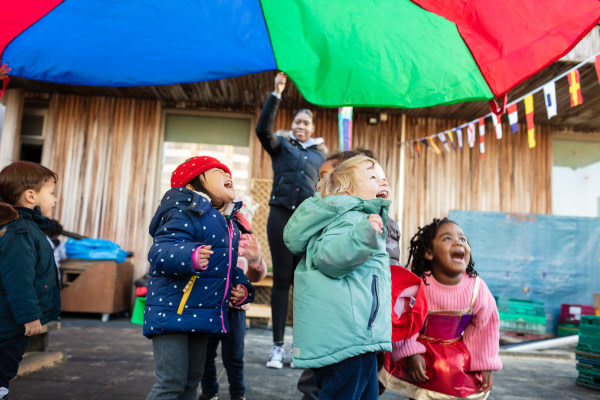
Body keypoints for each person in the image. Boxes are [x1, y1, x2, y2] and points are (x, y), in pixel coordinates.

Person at [143, 156, 255, 400]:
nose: (228, 175)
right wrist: (190, 255)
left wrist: (241, 288)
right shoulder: (184, 212)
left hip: (201, 313)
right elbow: (160, 252)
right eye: (217, 171)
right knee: (170, 383)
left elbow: (226, 268)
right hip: (172, 311)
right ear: (192, 187)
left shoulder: (228, 224)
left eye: (229, 173)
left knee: (191, 382)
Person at [283, 154, 392, 400]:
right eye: (373, 176)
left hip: (357, 338)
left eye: (384, 177)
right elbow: (329, 257)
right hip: (346, 340)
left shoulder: (357, 218)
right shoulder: (347, 218)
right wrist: (363, 236)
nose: (383, 181)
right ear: (347, 188)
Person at [381, 218, 502, 400]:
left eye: (463, 239)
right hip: (422, 355)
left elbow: (485, 327)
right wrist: (410, 353)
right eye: (447, 239)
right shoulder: (419, 284)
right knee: (421, 393)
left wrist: (484, 364)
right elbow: (403, 318)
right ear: (429, 253)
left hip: (456, 358)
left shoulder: (477, 288)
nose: (458, 242)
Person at [256, 72, 327, 368]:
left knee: (304, 282)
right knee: (282, 279)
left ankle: (303, 348)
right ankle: (277, 348)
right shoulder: (281, 145)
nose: (301, 126)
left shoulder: (320, 156)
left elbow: (327, 188)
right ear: (293, 125)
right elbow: (262, 130)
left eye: (306, 123)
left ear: (312, 128)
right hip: (280, 215)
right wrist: (276, 93)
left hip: (307, 222)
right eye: (297, 121)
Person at [0, 161, 61, 400]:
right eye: (52, 193)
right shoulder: (19, 231)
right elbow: (18, 279)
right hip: (8, 324)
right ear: (30, 196)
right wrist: (29, 316)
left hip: (9, 321)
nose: (55, 200)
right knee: (2, 372)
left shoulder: (29, 228)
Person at [199, 212, 267, 400]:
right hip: (210, 308)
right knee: (205, 355)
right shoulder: (207, 239)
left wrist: (255, 261)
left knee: (234, 357)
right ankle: (209, 392)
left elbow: (255, 277)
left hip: (235, 311)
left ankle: (238, 394)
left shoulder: (248, 243)